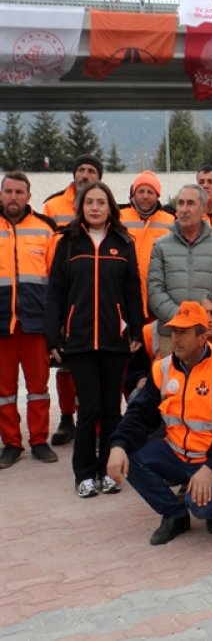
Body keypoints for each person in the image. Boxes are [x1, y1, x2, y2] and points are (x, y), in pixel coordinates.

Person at [105, 301, 212, 544]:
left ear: (202, 336)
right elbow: (138, 414)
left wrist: (210, 468)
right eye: (174, 331)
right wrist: (118, 446)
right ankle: (175, 515)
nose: (176, 339)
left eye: (184, 332)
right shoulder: (162, 369)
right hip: (176, 454)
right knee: (129, 454)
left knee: (204, 508)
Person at [45, 181, 145, 498]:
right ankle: (85, 474)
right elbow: (55, 294)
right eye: (89, 202)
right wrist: (53, 337)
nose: (95, 208)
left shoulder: (123, 243)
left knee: (111, 408)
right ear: (81, 207)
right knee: (88, 409)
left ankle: (110, 472)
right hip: (80, 341)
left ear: (111, 208)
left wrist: (136, 331)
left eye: (101, 202)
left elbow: (132, 292)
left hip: (115, 340)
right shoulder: (68, 244)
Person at [0, 172, 59, 467]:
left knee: (38, 388)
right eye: (8, 191)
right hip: (1, 325)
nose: (13, 197)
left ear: (28, 196)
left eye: (19, 192)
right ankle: (11, 443)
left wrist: (55, 324)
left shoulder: (45, 229)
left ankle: (39, 441)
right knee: (3, 392)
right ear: (1, 194)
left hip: (36, 323)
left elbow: (57, 280)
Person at [42, 154, 102, 444]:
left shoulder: (103, 204)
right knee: (65, 363)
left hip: (93, 294)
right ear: (74, 174)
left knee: (92, 363)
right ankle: (67, 418)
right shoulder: (53, 206)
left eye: (91, 171)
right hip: (65, 291)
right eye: (81, 170)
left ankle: (87, 416)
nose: (85, 175)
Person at [148, 184, 212, 348]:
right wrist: (184, 318)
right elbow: (155, 291)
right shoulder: (160, 246)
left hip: (208, 333)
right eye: (180, 203)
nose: (184, 209)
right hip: (172, 334)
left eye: (190, 203)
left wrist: (204, 318)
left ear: (203, 209)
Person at [119, 170, 174, 318]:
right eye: (141, 191)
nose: (145, 196)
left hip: (158, 294)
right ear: (134, 194)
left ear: (157, 195)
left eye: (150, 191)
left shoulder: (170, 221)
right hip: (125, 292)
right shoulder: (119, 218)